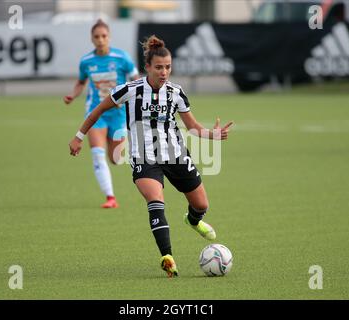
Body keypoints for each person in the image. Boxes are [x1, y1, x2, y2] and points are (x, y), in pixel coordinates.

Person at [69, 35, 233, 277]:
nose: (164, 72)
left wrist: (212, 135)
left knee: (201, 205)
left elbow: (192, 126)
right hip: (144, 159)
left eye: (168, 67)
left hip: (176, 156)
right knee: (156, 202)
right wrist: (79, 136)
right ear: (147, 67)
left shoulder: (177, 92)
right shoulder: (130, 90)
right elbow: (98, 110)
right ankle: (167, 257)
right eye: (159, 67)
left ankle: (193, 220)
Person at [63, 19, 139, 209]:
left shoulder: (122, 58)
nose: (100, 40)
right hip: (96, 113)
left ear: (109, 37)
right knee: (98, 154)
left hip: (119, 114)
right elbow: (81, 82)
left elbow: (136, 79)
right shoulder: (86, 61)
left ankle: (113, 142)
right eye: (96, 36)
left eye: (103, 36)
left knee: (116, 159)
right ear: (92, 38)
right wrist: (73, 94)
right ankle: (110, 197)